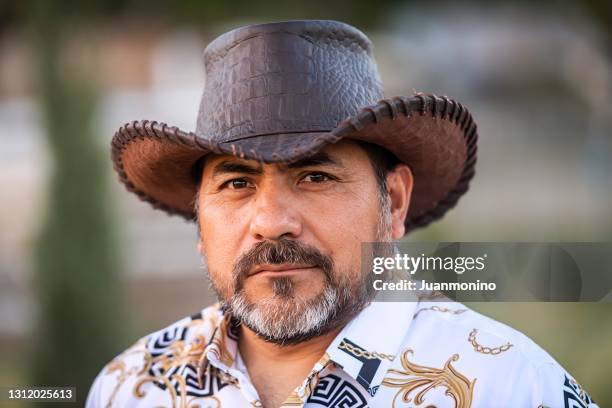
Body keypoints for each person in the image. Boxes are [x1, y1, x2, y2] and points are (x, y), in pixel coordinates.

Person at [86, 20, 597, 407]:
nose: (271, 221)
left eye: (315, 177)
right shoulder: (131, 386)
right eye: (237, 184)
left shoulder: (508, 385)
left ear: (392, 202)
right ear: (201, 220)